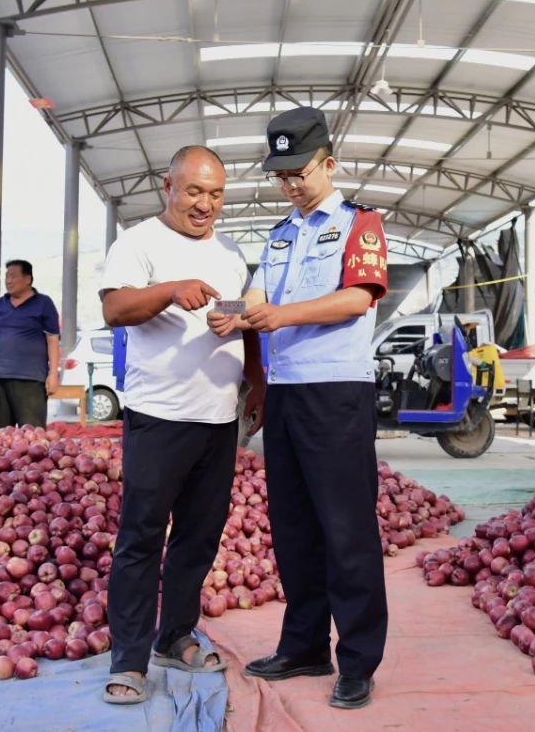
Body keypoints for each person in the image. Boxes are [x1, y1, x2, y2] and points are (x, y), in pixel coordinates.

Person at [208, 106, 388, 710]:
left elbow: (359, 298)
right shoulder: (281, 234)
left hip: (337, 392)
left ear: (328, 164)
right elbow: (259, 294)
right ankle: (304, 644)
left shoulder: (360, 224)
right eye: (281, 174)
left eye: (299, 172)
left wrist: (279, 316)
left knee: (347, 529)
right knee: (294, 528)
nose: (290, 184)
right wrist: (235, 313)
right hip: (285, 392)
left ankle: (357, 660)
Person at [98, 145, 265, 705]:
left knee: (198, 536)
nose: (205, 204)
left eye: (216, 194)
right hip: (159, 416)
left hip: (218, 418)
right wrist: (170, 290)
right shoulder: (139, 243)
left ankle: (175, 637)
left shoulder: (231, 253)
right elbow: (115, 309)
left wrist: (257, 380)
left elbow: (244, 323)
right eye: (194, 191)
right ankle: (129, 658)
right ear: (167, 187)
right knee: (142, 538)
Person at [0, 260, 60, 428]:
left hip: (30, 381)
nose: (8, 281)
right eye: (6, 277)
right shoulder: (0, 304)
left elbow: (52, 340)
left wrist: (53, 374)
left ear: (28, 279)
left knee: (32, 436)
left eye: (13, 276)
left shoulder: (43, 304)